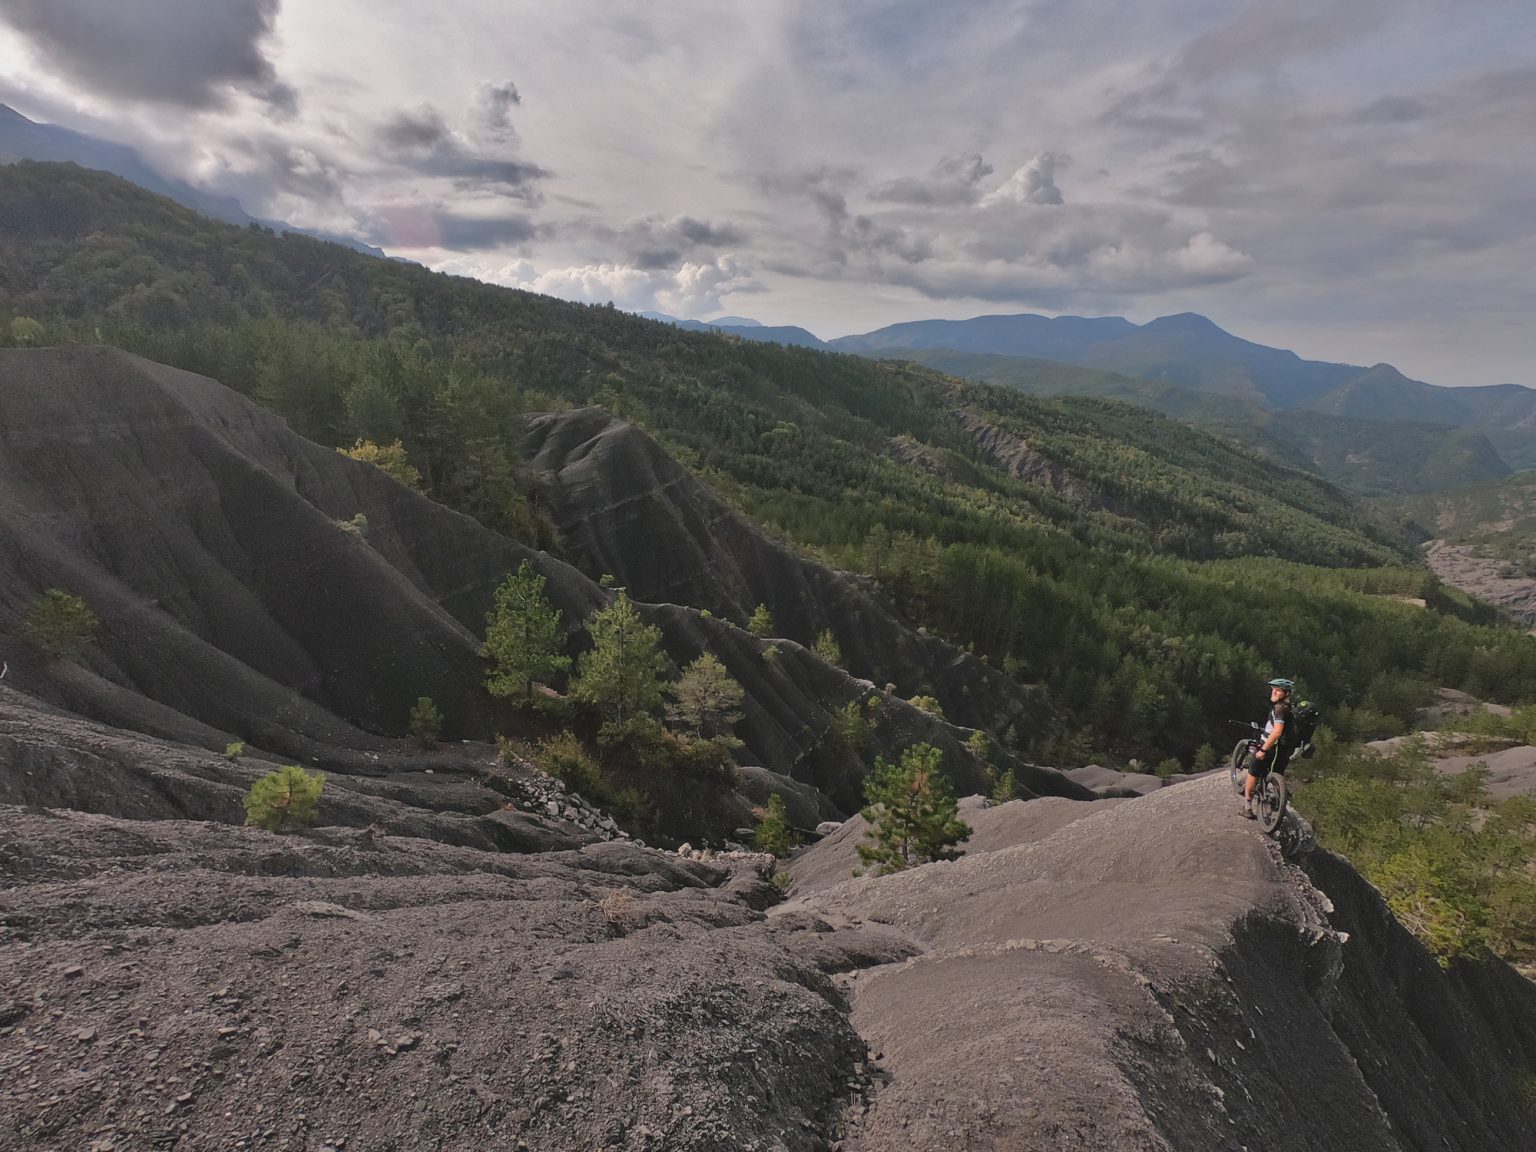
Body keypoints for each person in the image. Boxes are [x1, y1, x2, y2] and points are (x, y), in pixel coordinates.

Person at [1243, 677, 1294, 819]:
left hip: (1272, 747)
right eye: (1273, 689)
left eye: (1278, 690)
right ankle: (1278, 805)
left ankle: (1247, 808)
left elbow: (1277, 732)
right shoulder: (1290, 707)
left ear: (1287, 693)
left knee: (1252, 772)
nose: (1274, 692)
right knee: (1277, 773)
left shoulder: (1279, 709)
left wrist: (1263, 750)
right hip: (1284, 750)